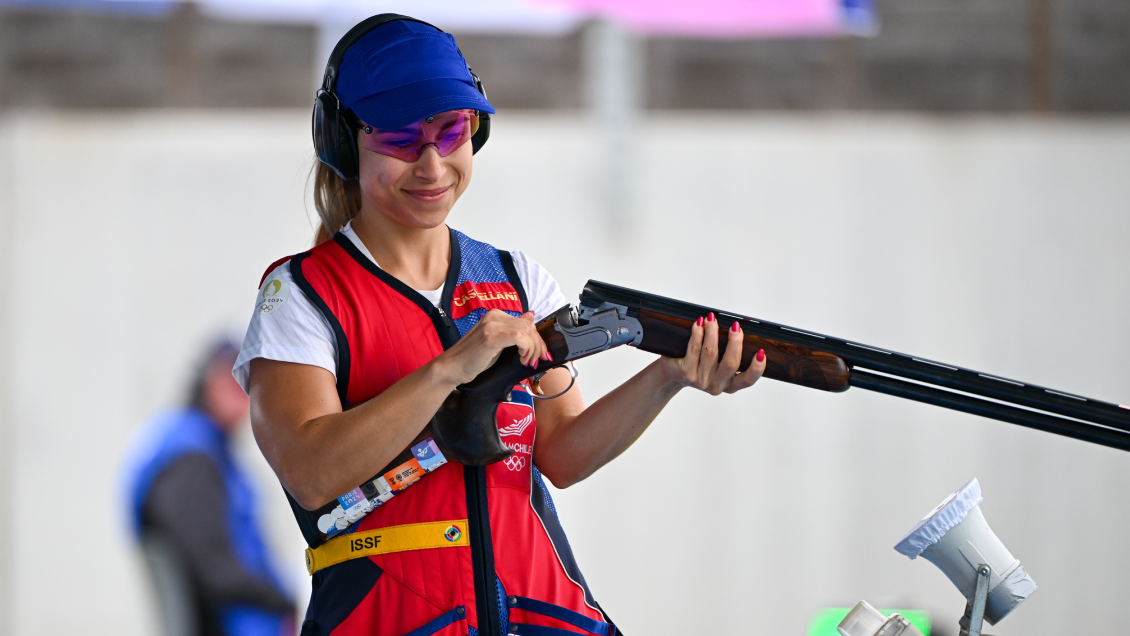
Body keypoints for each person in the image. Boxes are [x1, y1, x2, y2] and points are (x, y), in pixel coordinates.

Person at [233, 14, 767, 636]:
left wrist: (668, 376)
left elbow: (561, 455)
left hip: (543, 617)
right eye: (402, 140)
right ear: (345, 140)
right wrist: (449, 369)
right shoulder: (300, 294)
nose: (432, 166)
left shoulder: (518, 279)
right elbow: (312, 472)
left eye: (451, 132)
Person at [125, 341, 295, 636]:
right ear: (207, 379)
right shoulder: (190, 457)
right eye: (232, 377)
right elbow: (214, 569)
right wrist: (285, 601)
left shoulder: (201, 447)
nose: (242, 389)